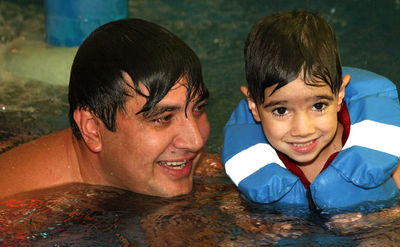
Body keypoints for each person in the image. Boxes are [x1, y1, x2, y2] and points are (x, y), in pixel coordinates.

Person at [0, 18, 211, 200]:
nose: (195, 141)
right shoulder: (17, 210)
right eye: (162, 118)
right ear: (93, 129)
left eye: (198, 108)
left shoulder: (195, 165)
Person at [222, 10, 400, 212]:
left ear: (339, 95)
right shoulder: (250, 166)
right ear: (253, 107)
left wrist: (381, 220)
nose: (303, 129)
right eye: (281, 110)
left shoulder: (388, 157)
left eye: (318, 106)